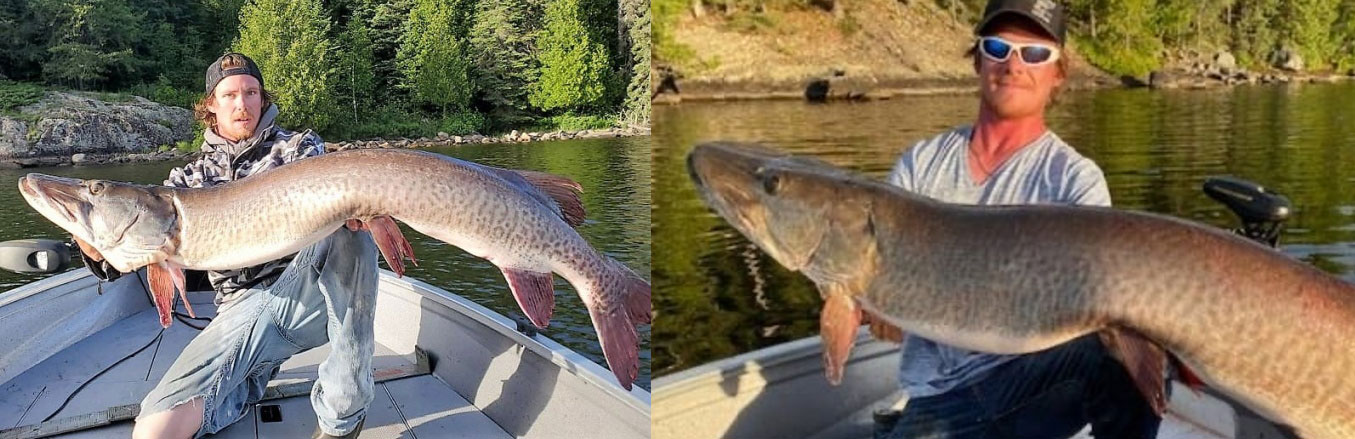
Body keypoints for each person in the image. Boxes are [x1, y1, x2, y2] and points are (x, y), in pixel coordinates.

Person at [881, 1, 1162, 438]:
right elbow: (887, 312)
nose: (1013, 65)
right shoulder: (921, 163)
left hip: (1032, 389)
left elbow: (1100, 305)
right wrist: (872, 304)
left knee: (1118, 354)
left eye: (1034, 53)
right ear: (978, 61)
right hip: (938, 398)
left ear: (1058, 73)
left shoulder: (1074, 180)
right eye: (998, 48)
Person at [73, 53, 376, 439]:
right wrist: (91, 241)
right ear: (211, 106)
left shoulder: (299, 149)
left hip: (309, 295)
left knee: (348, 228)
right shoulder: (186, 180)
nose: (242, 103)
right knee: (154, 432)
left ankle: (342, 419)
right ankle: (248, 380)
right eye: (229, 94)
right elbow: (123, 259)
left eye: (251, 92)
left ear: (262, 100)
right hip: (239, 314)